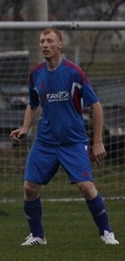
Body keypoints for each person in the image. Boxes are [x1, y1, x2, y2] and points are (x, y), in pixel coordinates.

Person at [10, 28, 118, 246]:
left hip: (73, 142)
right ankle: (37, 236)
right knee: (29, 187)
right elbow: (33, 104)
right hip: (45, 142)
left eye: (50, 41)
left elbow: (96, 106)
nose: (45, 45)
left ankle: (107, 232)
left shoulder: (74, 72)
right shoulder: (36, 73)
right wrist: (25, 127)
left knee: (86, 187)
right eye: (42, 41)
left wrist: (97, 141)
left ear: (60, 45)